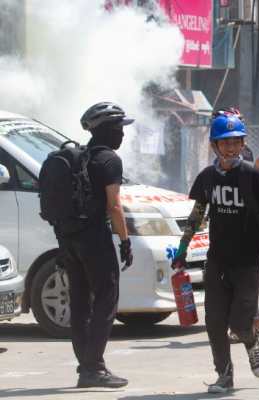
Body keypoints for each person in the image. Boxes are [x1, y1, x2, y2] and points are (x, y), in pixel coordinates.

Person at [171, 115, 259, 393]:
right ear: (214, 146)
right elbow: (198, 214)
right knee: (215, 321)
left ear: (243, 144)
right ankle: (224, 375)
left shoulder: (254, 176)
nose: (231, 149)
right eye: (225, 144)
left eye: (236, 143)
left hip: (248, 262)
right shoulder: (207, 178)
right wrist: (183, 248)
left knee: (239, 322)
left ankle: (251, 342)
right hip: (218, 260)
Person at [57, 102, 133, 388]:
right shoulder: (109, 160)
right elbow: (114, 206)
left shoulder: (79, 157)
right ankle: (94, 368)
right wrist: (125, 241)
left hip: (69, 237)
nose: (122, 135)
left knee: (79, 301)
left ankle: (85, 366)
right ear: (107, 130)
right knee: (106, 298)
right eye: (118, 129)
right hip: (94, 239)